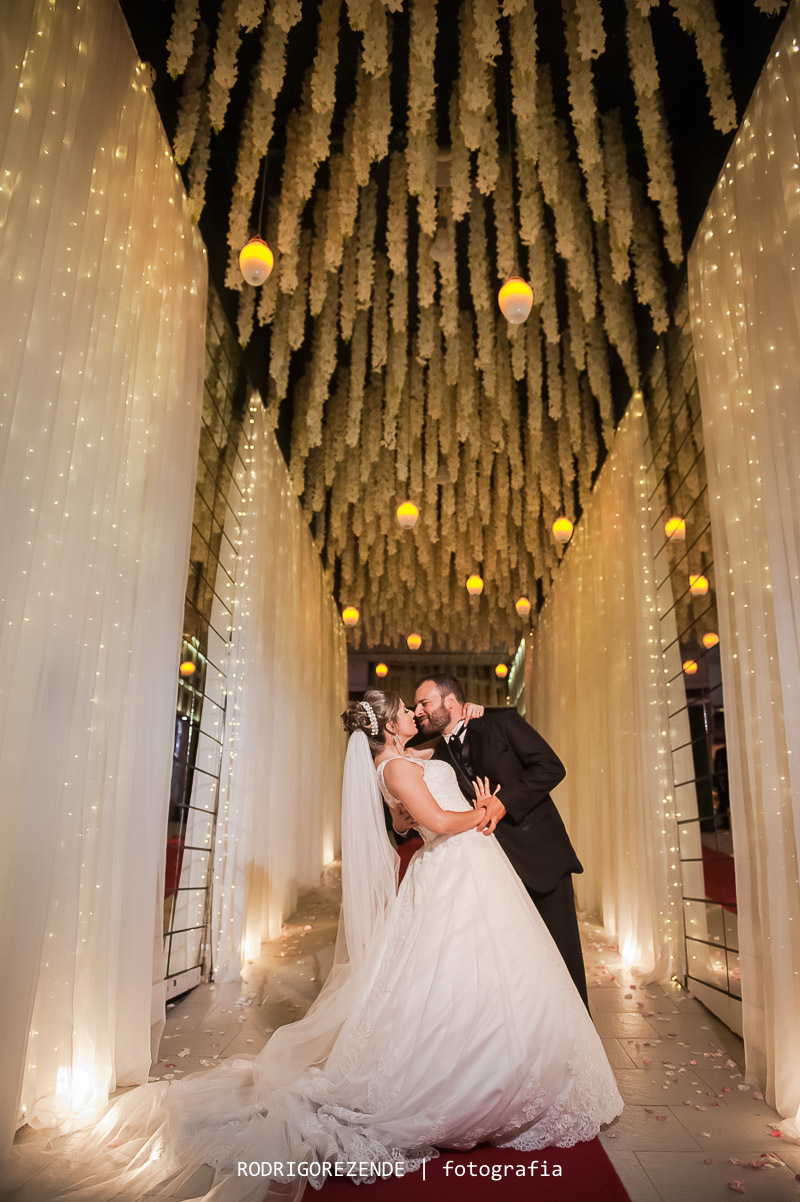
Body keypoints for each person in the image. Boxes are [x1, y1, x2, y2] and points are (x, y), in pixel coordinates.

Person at [0, 689, 621, 1202]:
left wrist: (459, 780)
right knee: (461, 979)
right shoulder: (401, 764)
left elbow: (410, 816)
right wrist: (480, 812)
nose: (414, 711)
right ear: (387, 729)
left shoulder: (403, 760)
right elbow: (432, 823)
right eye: (406, 709)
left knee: (480, 978)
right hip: (458, 866)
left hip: (466, 875)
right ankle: (483, 1075)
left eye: (418, 705)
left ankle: (503, 1059)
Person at [414, 675, 590, 1008]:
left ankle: (582, 1043)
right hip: (492, 871)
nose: (418, 710)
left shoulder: (500, 722)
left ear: (449, 701)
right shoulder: (437, 755)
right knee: (523, 965)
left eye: (424, 703)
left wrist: (504, 800)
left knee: (562, 956)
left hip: (540, 857)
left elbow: (551, 767)